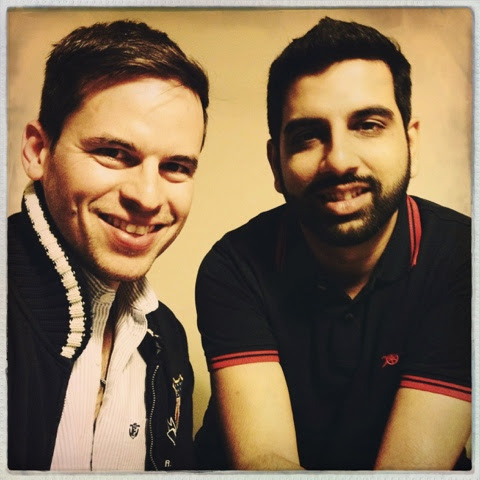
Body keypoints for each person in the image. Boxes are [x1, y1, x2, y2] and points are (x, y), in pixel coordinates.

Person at [194, 17, 471, 471]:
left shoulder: (465, 259)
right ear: (276, 164)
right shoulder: (235, 266)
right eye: (308, 136)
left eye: (368, 125)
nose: (339, 160)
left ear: (411, 142)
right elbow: (265, 461)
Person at [8, 20, 209, 471]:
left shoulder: (168, 340)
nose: (148, 197)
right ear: (38, 151)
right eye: (115, 153)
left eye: (176, 166)